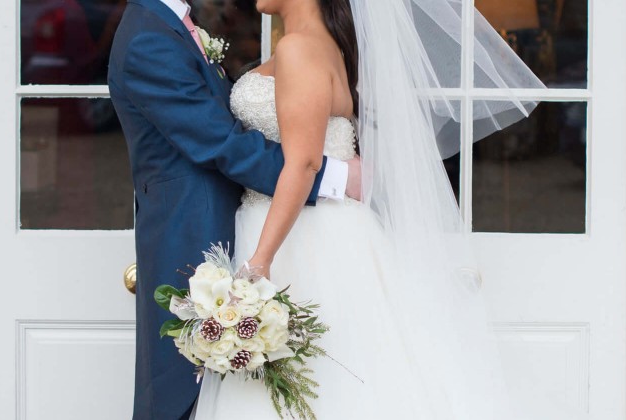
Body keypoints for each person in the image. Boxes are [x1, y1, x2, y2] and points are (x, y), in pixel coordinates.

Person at [189, 0, 546, 418]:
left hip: (300, 239)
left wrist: (259, 263)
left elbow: (303, 163)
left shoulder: (299, 48)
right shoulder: (326, 45)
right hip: (309, 228)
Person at [105, 0, 362, 418]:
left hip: (281, 237)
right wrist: (336, 176)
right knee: (184, 395)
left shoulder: (177, 24)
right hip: (197, 236)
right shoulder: (147, 37)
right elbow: (219, 142)